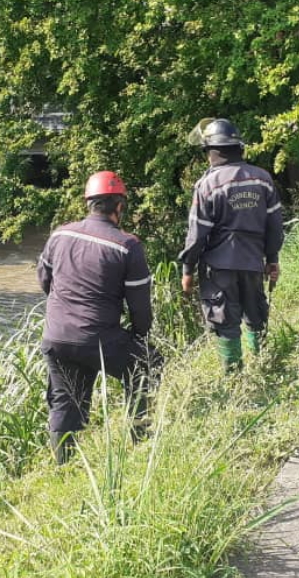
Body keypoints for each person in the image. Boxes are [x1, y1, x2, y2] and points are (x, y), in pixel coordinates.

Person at [37, 171, 161, 463]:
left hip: (56, 337)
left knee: (65, 402)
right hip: (99, 338)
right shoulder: (127, 245)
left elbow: (44, 280)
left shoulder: (60, 234)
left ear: (89, 203)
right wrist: (140, 334)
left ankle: (63, 466)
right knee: (148, 364)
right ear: (119, 206)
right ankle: (140, 442)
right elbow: (140, 306)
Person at [179, 118, 284, 370]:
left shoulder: (207, 185)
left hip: (219, 269)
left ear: (212, 152)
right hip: (252, 264)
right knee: (255, 315)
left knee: (225, 321)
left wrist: (188, 270)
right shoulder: (262, 179)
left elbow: (196, 235)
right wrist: (272, 260)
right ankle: (262, 368)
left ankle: (234, 378)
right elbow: (275, 226)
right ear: (239, 148)